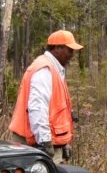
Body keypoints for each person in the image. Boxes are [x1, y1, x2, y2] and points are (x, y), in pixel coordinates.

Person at [9, 29, 82, 160]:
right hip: (35, 144)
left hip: (44, 142)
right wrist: (45, 142)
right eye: (69, 50)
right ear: (57, 48)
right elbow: (37, 107)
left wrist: (64, 143)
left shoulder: (54, 68)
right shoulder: (44, 69)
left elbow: (56, 112)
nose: (72, 54)